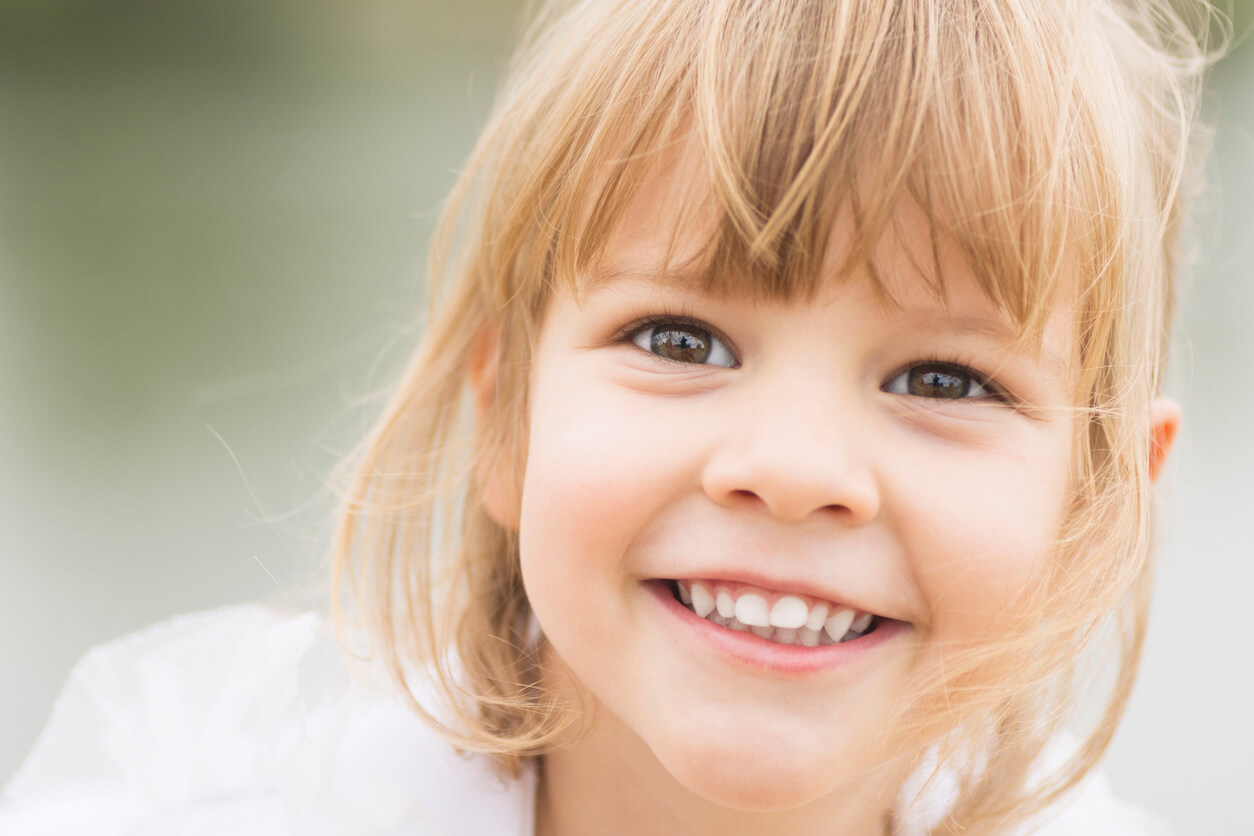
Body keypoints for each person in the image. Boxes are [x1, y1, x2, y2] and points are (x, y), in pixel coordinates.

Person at [1, 0, 1223, 833]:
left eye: (944, 381)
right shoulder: (218, 803)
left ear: (1098, 505)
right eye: (680, 340)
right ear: (507, 416)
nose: (792, 470)